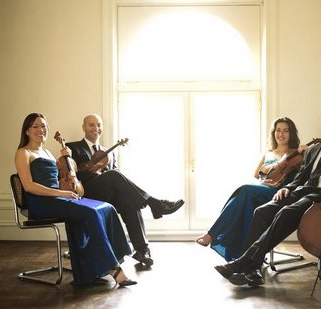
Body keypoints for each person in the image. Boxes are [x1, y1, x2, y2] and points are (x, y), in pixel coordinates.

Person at [214, 105, 321, 287]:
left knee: (286, 213)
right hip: (302, 190)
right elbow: (301, 177)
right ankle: (253, 268)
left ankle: (244, 263)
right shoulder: (315, 149)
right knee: (262, 212)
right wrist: (287, 187)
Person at [15, 113, 137, 287]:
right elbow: (29, 186)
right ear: (27, 131)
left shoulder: (48, 152)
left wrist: (68, 161)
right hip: (39, 203)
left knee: (106, 207)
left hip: (56, 197)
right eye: (35, 126)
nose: (41, 130)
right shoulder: (23, 152)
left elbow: (57, 180)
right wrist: (62, 194)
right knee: (89, 213)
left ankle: (89, 272)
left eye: (43, 126)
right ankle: (113, 268)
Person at [67, 113, 184, 266]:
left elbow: (117, 181)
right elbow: (71, 175)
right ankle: (155, 204)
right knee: (115, 174)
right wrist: (92, 169)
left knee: (129, 200)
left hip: (107, 195)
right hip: (87, 193)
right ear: (83, 127)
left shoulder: (108, 151)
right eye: (91, 125)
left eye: (98, 125)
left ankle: (142, 250)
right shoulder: (72, 147)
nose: (96, 128)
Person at [195, 117, 304, 261]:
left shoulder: (295, 153)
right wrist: (268, 175)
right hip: (260, 190)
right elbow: (256, 173)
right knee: (245, 204)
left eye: (285, 131)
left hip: (276, 193)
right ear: (274, 133)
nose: (281, 134)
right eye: (278, 130)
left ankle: (212, 234)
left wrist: (304, 150)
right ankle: (241, 257)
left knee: (244, 189)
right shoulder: (268, 153)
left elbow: (298, 178)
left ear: (291, 134)